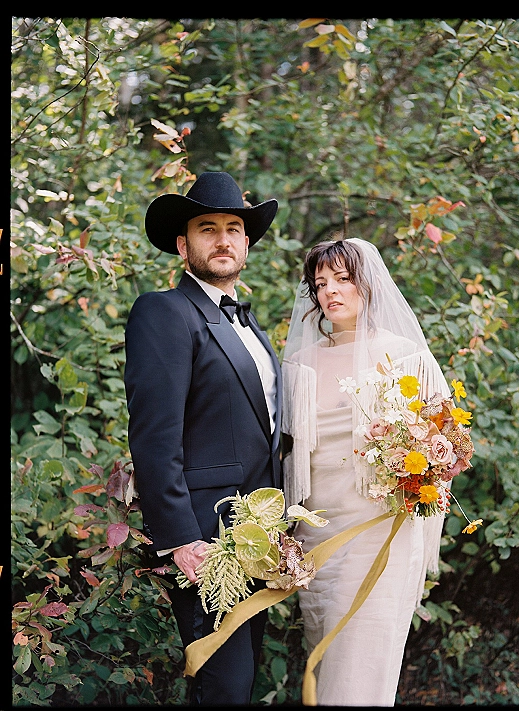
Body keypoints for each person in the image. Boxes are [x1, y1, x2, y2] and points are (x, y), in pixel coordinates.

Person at [124, 171, 282, 706]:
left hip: (259, 534)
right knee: (224, 685)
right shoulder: (164, 312)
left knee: (239, 682)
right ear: (182, 244)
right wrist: (180, 538)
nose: (222, 240)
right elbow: (153, 436)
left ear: (246, 242)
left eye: (234, 228)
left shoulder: (250, 325)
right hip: (204, 539)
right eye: (207, 228)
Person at [281, 237, 451, 706]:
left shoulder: (406, 357)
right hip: (316, 538)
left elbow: (446, 449)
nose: (331, 291)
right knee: (328, 655)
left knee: (359, 665)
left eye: (343, 278)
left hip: (380, 533)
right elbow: (284, 457)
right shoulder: (298, 364)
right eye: (320, 283)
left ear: (368, 283)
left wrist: (413, 477)